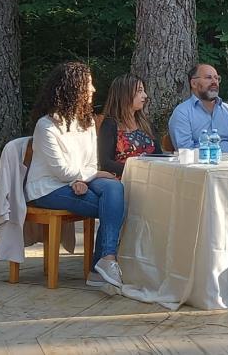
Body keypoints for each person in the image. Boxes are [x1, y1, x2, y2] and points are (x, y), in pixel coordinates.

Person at [25, 61, 126, 287]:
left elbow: (90, 162)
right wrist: (88, 177)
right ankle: (102, 264)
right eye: (88, 84)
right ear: (73, 88)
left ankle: (104, 263)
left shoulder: (87, 123)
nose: (93, 89)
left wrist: (82, 179)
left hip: (79, 180)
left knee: (114, 188)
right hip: (47, 188)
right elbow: (62, 171)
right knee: (114, 206)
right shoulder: (46, 126)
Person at [168, 63, 228, 151]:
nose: (214, 82)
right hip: (200, 159)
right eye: (208, 78)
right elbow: (186, 151)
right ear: (194, 83)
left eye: (216, 78)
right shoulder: (182, 113)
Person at [98, 73, 161, 178]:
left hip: (151, 178)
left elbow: (159, 155)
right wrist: (137, 171)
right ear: (125, 95)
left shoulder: (145, 124)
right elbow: (106, 163)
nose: (145, 95)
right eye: (140, 91)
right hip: (123, 179)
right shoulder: (110, 125)